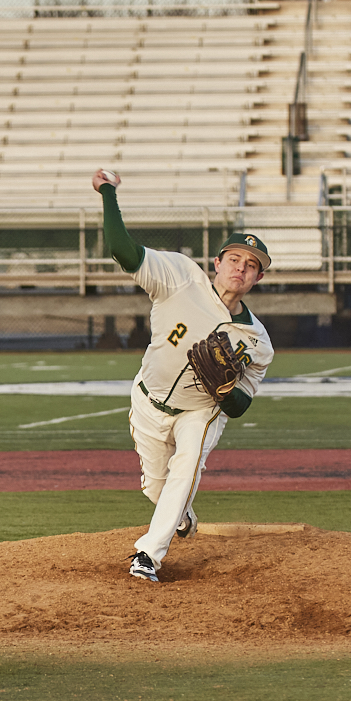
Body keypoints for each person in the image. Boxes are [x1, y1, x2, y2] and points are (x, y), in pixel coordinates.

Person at [91, 169, 275, 583]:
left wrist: (227, 392)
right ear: (217, 262)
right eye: (234, 260)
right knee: (157, 490)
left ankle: (147, 556)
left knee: (187, 465)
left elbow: (242, 403)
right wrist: (108, 193)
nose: (240, 269)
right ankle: (181, 517)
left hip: (201, 410)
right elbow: (122, 250)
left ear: (258, 278)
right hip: (149, 400)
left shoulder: (256, 340)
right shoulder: (180, 277)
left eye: (251, 266)